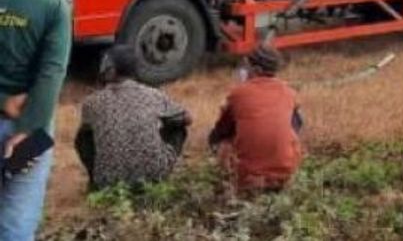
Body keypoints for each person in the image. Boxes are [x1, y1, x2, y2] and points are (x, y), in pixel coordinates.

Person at [0, 0, 71, 241]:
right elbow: (52, 71)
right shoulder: (52, 4)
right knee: (17, 219)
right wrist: (29, 127)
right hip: (27, 124)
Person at [75, 45, 191, 190]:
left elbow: (84, 140)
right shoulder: (153, 95)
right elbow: (187, 119)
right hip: (153, 178)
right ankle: (156, 167)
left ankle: (96, 180)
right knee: (177, 126)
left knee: (84, 136)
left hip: (108, 183)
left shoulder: (91, 102)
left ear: (110, 69)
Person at [208, 44, 303, 193]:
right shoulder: (289, 93)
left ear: (256, 70)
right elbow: (296, 127)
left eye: (247, 66)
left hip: (248, 178)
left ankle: (234, 183)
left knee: (222, 143)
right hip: (285, 173)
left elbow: (220, 132)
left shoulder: (238, 94)